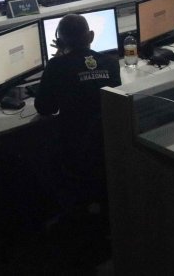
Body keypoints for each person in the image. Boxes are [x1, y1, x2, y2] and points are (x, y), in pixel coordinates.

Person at [35, 14, 121, 207]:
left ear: (60, 42)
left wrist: (59, 59)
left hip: (75, 149)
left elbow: (45, 108)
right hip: (109, 144)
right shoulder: (111, 62)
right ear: (91, 36)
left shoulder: (56, 66)